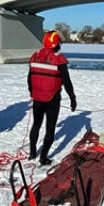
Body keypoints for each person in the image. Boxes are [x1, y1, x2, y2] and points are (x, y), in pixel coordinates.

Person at [27, 30, 77, 165]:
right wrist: (73, 98)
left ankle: (32, 153)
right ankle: (43, 157)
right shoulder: (58, 59)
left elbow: (29, 78)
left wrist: (32, 92)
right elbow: (67, 81)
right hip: (52, 99)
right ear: (56, 44)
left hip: (37, 98)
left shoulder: (35, 56)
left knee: (36, 125)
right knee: (50, 128)